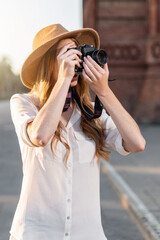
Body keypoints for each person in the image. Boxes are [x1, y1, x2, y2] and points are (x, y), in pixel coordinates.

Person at [9, 24, 146, 240]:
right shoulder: (24, 104)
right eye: (66, 54)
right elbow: (40, 136)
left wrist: (104, 91)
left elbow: (137, 143)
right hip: (35, 234)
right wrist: (63, 80)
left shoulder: (91, 113)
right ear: (47, 63)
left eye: (77, 52)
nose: (75, 61)